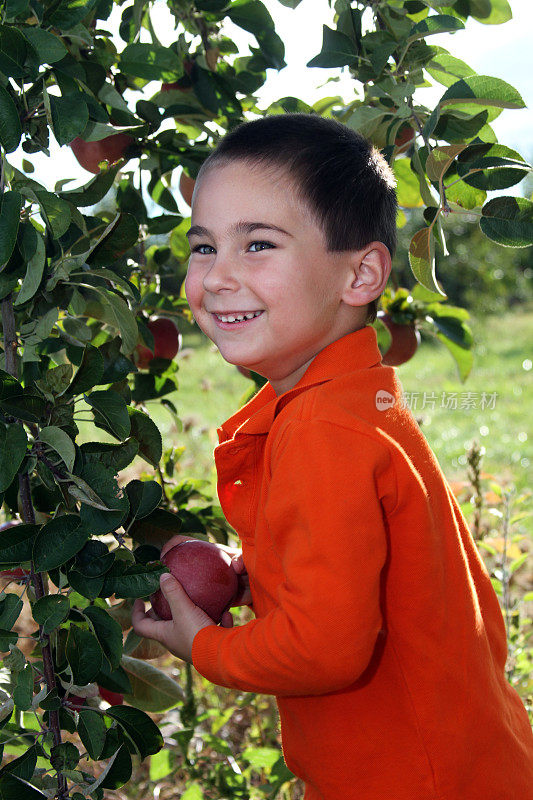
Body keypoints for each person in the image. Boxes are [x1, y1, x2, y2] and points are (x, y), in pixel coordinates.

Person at [132, 113, 533, 799]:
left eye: (257, 244)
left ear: (361, 275)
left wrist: (205, 646)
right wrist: (266, 574)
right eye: (203, 248)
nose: (219, 276)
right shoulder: (351, 403)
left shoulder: (326, 432)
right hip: (450, 765)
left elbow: (323, 649)